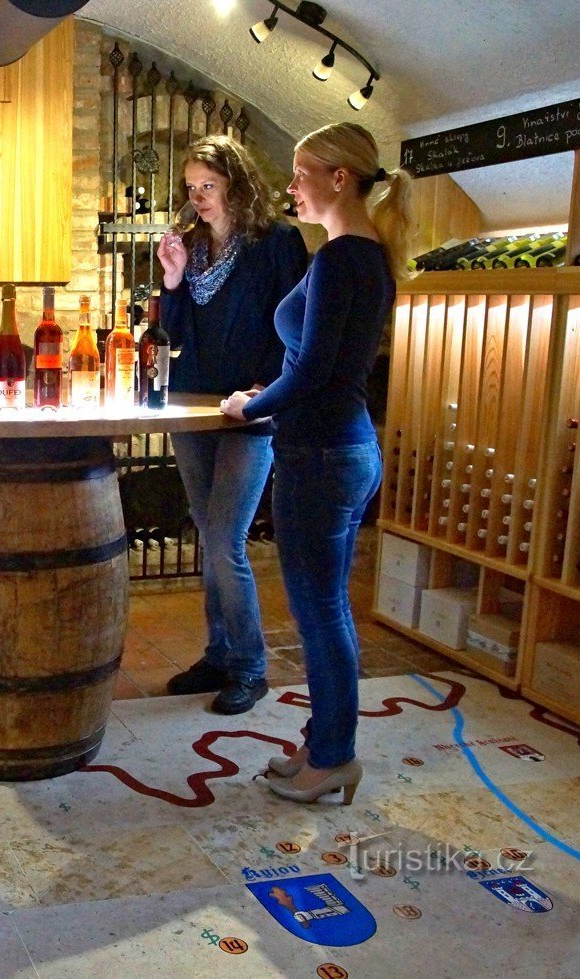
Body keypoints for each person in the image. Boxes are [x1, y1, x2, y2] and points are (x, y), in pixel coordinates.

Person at [220, 122, 412, 804]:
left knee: (323, 612)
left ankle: (332, 756)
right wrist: (265, 394)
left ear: (340, 178)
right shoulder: (364, 254)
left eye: (302, 173)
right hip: (344, 446)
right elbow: (316, 367)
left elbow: (313, 371)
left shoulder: (341, 258)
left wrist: (250, 406)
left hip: (324, 451)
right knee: (327, 608)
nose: (290, 186)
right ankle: (324, 740)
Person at [156, 135, 308, 715]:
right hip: (196, 406)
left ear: (237, 185)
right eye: (192, 188)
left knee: (226, 541)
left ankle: (249, 666)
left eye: (209, 187)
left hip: (253, 408)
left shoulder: (277, 244)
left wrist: (267, 391)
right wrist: (171, 283)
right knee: (207, 534)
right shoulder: (192, 249)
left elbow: (296, 326)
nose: (198, 198)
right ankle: (218, 655)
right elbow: (175, 333)